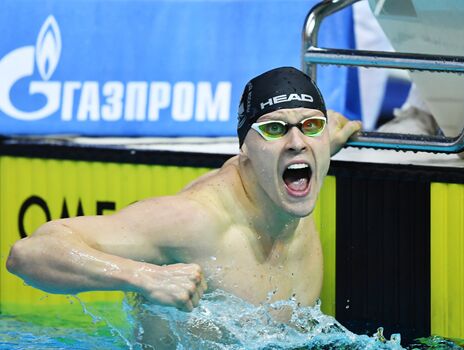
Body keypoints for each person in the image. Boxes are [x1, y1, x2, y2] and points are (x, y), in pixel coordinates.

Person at [6, 67, 361, 347]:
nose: (297, 143)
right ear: (245, 150)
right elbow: (28, 254)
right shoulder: (197, 222)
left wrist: (328, 135)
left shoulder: (301, 162)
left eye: (311, 126)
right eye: (274, 129)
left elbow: (309, 139)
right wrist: (146, 277)